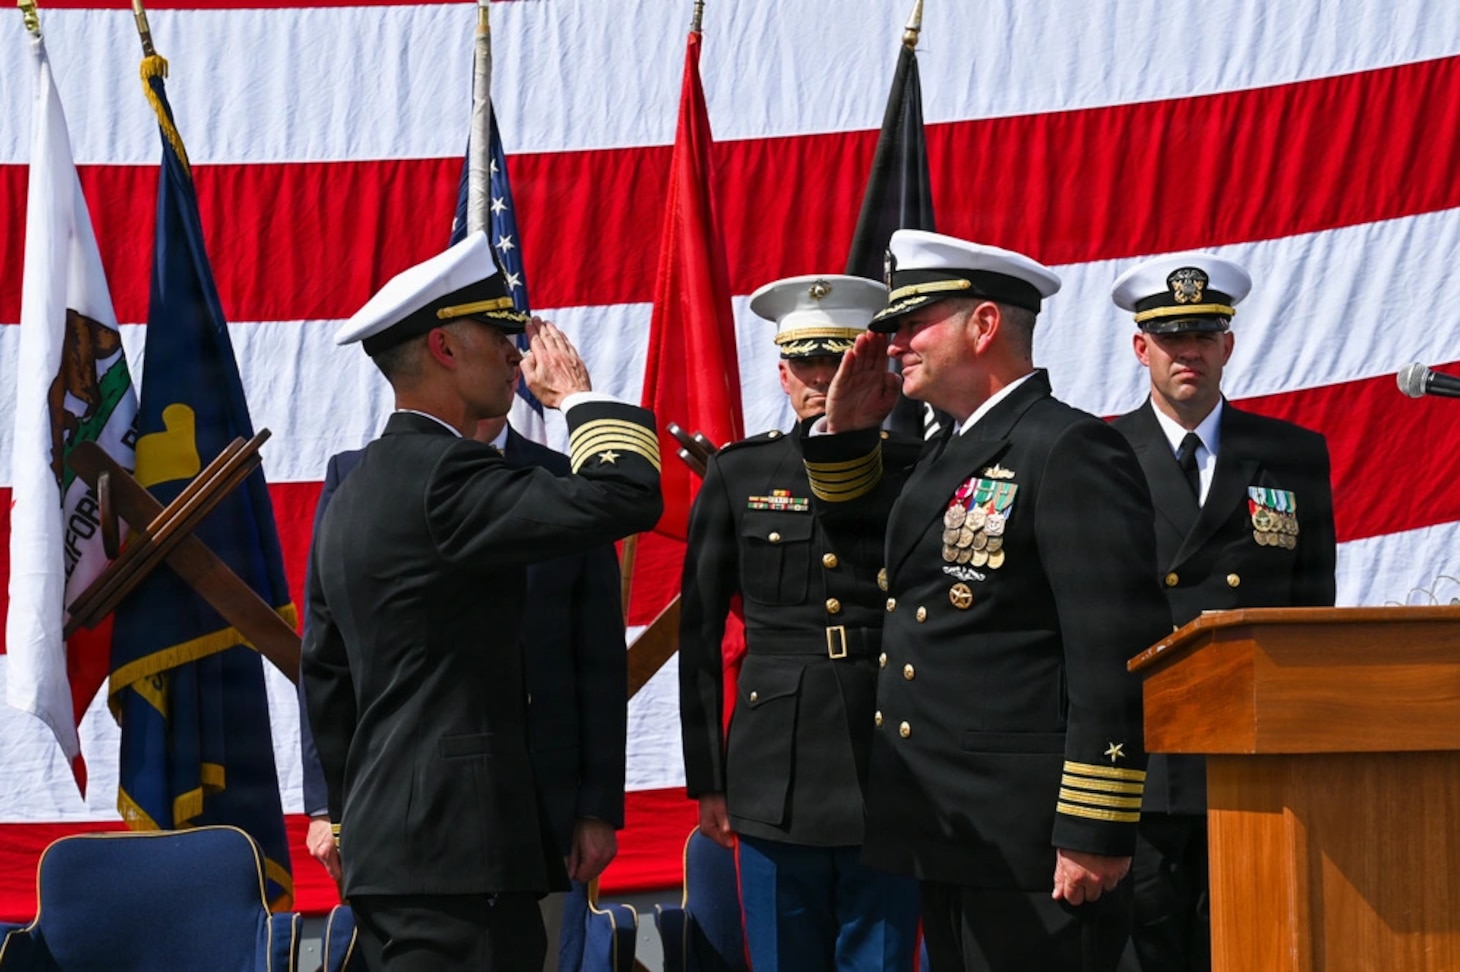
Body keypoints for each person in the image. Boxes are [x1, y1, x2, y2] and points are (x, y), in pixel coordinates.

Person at [803, 230, 1173, 972]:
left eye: (915, 322)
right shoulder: (951, 447)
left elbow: (1112, 654)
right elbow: (873, 556)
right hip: (953, 829)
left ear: (983, 325)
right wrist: (844, 432)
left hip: (1032, 839)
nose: (897, 343)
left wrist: (1095, 825)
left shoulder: (1065, 448)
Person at [301, 232, 661, 971]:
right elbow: (627, 492)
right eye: (497, 333)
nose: (513, 352)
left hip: (392, 852)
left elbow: (327, 675)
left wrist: (343, 815)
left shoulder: (354, 488)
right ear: (442, 348)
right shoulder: (448, 476)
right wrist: (576, 397)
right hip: (457, 859)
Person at [296, 413, 627, 970]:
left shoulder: (559, 478)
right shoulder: (355, 478)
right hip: (402, 812)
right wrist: (328, 806)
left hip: (539, 810)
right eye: (494, 338)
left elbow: (595, 657)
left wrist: (597, 807)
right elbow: (330, 659)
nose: (508, 357)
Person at [678, 274, 922, 972]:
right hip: (773, 771)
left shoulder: (913, 470)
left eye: (837, 359)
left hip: (889, 757)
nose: (821, 377)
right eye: (806, 362)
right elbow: (698, 637)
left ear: (869, 366)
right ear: (782, 372)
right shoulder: (740, 472)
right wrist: (709, 780)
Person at [1109, 253, 1337, 972]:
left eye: (1204, 336)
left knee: (1253, 948)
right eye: (1171, 338)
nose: (1189, 354)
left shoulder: (1292, 455)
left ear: (1228, 346)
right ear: (1140, 347)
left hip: (1251, 756)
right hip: (1142, 754)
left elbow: (1310, 609)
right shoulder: (1097, 454)